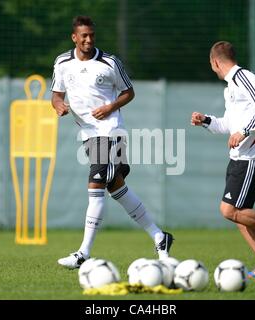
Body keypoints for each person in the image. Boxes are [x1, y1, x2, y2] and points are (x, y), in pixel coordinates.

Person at [51, 16, 173, 269]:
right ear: (74, 37)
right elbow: (56, 95)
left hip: (110, 131)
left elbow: (129, 92)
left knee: (95, 183)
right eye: (83, 36)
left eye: (92, 35)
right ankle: (160, 236)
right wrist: (59, 105)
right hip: (87, 134)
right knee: (116, 188)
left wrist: (110, 106)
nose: (88, 39)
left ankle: (83, 253)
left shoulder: (109, 62)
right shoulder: (62, 62)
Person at [191, 41, 255, 278]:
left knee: (229, 210)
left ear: (215, 62)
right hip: (240, 155)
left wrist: (245, 132)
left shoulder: (243, 77)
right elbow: (228, 125)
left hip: (253, 155)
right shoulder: (230, 88)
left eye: (211, 65)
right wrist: (205, 120)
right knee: (239, 211)